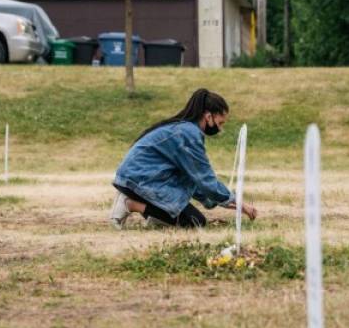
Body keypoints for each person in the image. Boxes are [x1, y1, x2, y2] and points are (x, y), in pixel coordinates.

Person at [109, 88, 257, 229]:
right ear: (208, 116)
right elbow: (205, 180)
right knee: (193, 222)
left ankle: (158, 218)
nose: (220, 129)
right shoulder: (188, 135)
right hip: (138, 180)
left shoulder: (185, 130)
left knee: (195, 220)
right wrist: (237, 202)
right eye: (220, 123)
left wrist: (228, 202)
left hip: (140, 178)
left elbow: (194, 182)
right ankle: (129, 203)